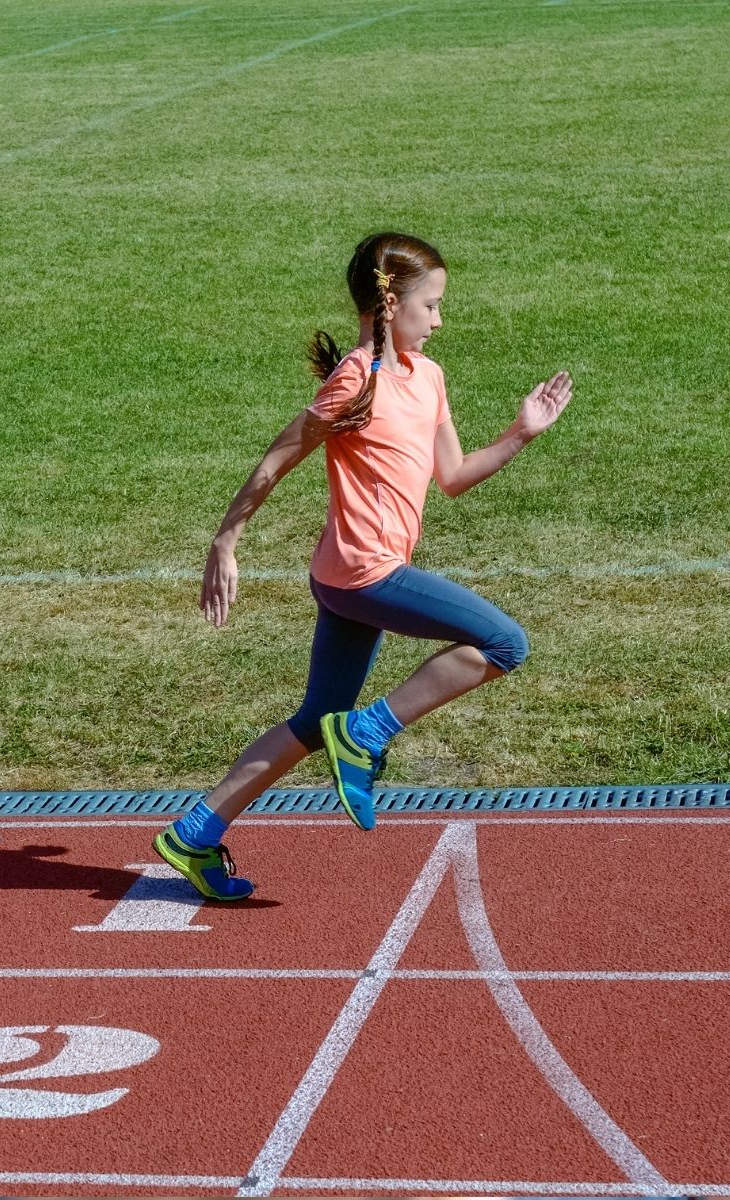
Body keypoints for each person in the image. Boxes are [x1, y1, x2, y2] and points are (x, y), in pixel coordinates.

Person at [152, 231, 572, 900]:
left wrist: (520, 433)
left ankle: (196, 832)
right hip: (362, 573)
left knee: (316, 717)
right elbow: (276, 459)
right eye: (430, 305)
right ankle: (368, 732)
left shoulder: (427, 377)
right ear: (391, 303)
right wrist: (225, 541)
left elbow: (455, 476)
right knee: (503, 642)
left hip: (349, 576)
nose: (439, 320)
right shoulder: (358, 377)